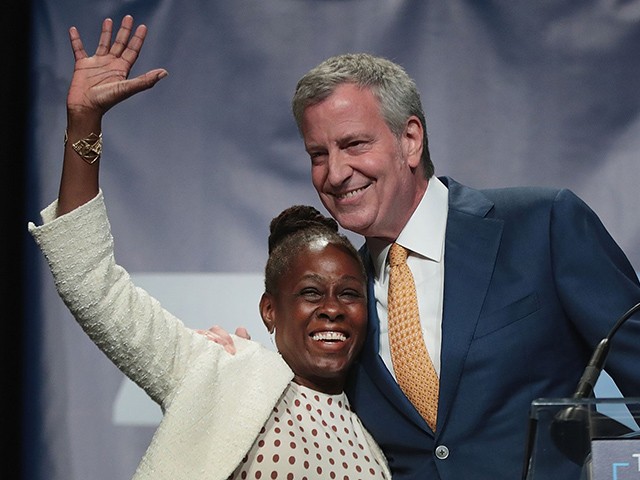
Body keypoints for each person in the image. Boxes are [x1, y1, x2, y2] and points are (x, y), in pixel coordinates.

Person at [28, 16, 391, 480]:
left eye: (348, 293)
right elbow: (90, 281)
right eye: (309, 293)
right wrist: (84, 124)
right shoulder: (217, 373)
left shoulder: (373, 451)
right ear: (269, 310)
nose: (332, 309)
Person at [287, 53, 640, 479]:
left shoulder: (542, 224)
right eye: (318, 154)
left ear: (411, 139)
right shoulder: (342, 299)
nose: (336, 172)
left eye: (353, 144)